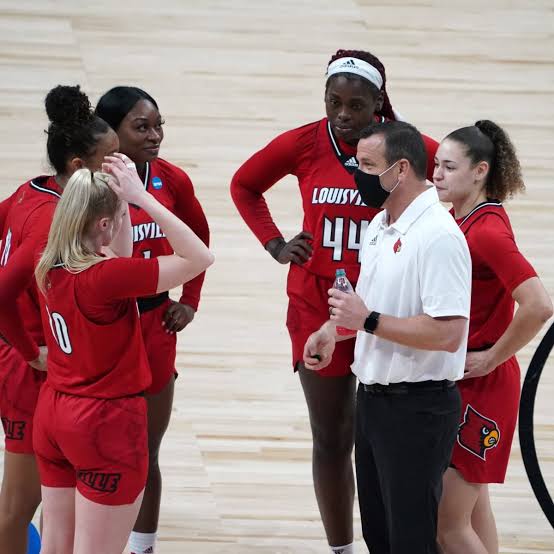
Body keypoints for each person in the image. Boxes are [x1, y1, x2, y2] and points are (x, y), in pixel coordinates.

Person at [230, 49, 438, 553]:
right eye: (334, 102)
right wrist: (276, 243)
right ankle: (341, 548)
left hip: (384, 309)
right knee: (331, 436)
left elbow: (457, 181)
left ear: (378, 104)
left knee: (384, 444)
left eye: (356, 105)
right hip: (314, 306)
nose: (343, 114)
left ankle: (393, 541)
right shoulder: (304, 142)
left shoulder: (405, 146)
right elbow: (244, 184)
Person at [304, 120, 472, 554]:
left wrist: (368, 321)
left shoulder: (438, 236)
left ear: (399, 170)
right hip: (374, 402)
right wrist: (332, 331)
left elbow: (449, 333)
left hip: (419, 409)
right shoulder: (380, 225)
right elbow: (371, 308)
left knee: (411, 540)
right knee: (379, 535)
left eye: (366, 165)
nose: (356, 175)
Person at [32, 160, 214, 554]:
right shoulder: (106, 278)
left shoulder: (49, 262)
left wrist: (118, 200)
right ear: (103, 224)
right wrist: (141, 197)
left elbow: (117, 252)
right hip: (104, 423)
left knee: (55, 547)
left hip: (53, 414)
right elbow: (199, 257)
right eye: (120, 216)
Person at [0, 84, 119, 554]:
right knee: (19, 502)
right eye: (109, 160)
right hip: (27, 366)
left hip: (38, 362)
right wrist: (31, 351)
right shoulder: (52, 220)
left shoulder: (29, 191)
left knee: (57, 495)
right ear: (78, 167)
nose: (118, 167)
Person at [95, 87, 210, 554]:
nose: (155, 135)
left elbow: (200, 238)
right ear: (111, 133)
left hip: (155, 323)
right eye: (141, 127)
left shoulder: (171, 179)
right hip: (104, 326)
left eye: (158, 124)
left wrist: (191, 300)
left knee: (146, 450)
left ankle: (144, 547)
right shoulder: (89, 186)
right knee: (98, 447)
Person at [433, 121, 553, 554]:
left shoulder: (486, 232)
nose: (437, 175)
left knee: (448, 526)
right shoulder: (460, 220)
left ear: (480, 171)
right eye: (436, 165)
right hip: (467, 379)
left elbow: (539, 304)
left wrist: (491, 357)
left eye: (448, 167)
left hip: (482, 383)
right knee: (472, 512)